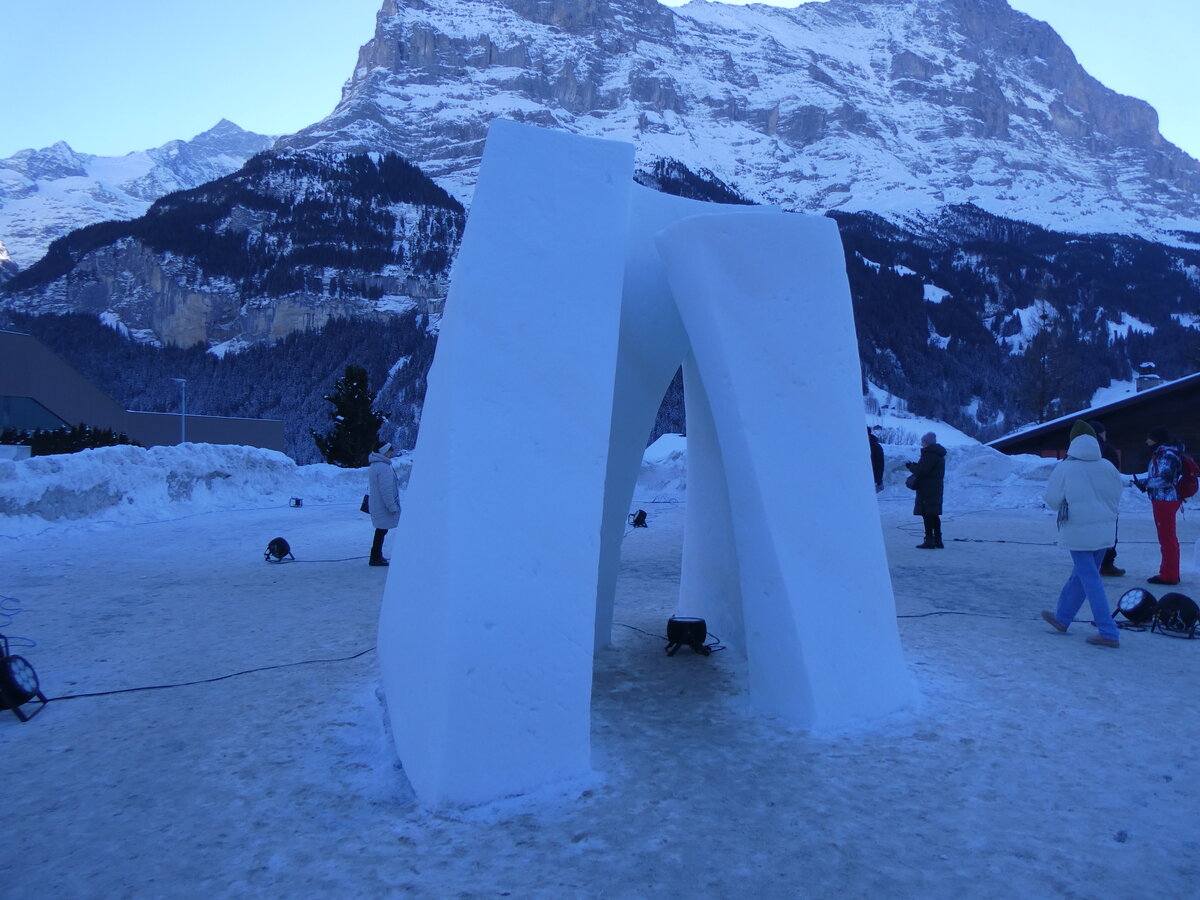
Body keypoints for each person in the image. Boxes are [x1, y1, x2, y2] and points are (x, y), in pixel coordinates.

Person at [1041, 427, 1124, 648]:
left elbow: (1052, 500)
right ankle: (1063, 617)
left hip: (1079, 532)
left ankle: (1108, 631)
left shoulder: (1065, 467)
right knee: (1081, 575)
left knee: (1089, 578)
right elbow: (1118, 493)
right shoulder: (1107, 466)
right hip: (1105, 530)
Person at [1133, 426, 1184, 585]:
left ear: (1157, 439)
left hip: (1165, 500)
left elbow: (1165, 479)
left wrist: (1145, 483)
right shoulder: (1165, 453)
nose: (1146, 441)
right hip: (1165, 499)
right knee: (1169, 538)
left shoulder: (1165, 455)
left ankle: (1169, 575)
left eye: (1149, 438)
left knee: (1167, 538)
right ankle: (1171, 572)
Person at [1089, 420, 1124, 576]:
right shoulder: (1107, 449)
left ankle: (1087, 563)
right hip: (1105, 498)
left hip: (1083, 499)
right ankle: (1107, 564)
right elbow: (1114, 472)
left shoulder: (1075, 450)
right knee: (1108, 530)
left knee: (1087, 531)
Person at [905, 431, 946, 548]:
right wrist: (917, 466)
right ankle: (938, 540)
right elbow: (927, 469)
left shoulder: (929, 454)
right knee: (933, 514)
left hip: (927, 489)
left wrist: (911, 467)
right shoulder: (938, 454)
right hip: (935, 487)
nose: (921, 444)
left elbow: (922, 471)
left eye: (922, 442)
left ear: (926, 442)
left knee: (927, 514)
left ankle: (929, 540)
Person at [367, 440, 401, 567]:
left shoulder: (376, 465)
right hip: (382, 505)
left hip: (378, 504)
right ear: (384, 452)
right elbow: (386, 490)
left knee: (381, 530)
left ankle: (376, 555)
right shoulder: (383, 467)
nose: (391, 454)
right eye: (389, 451)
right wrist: (391, 506)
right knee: (381, 530)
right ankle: (375, 557)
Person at [868, 427, 885, 493]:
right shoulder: (858, 446)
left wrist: (878, 480)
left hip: (872, 478)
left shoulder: (876, 447)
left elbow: (880, 465)